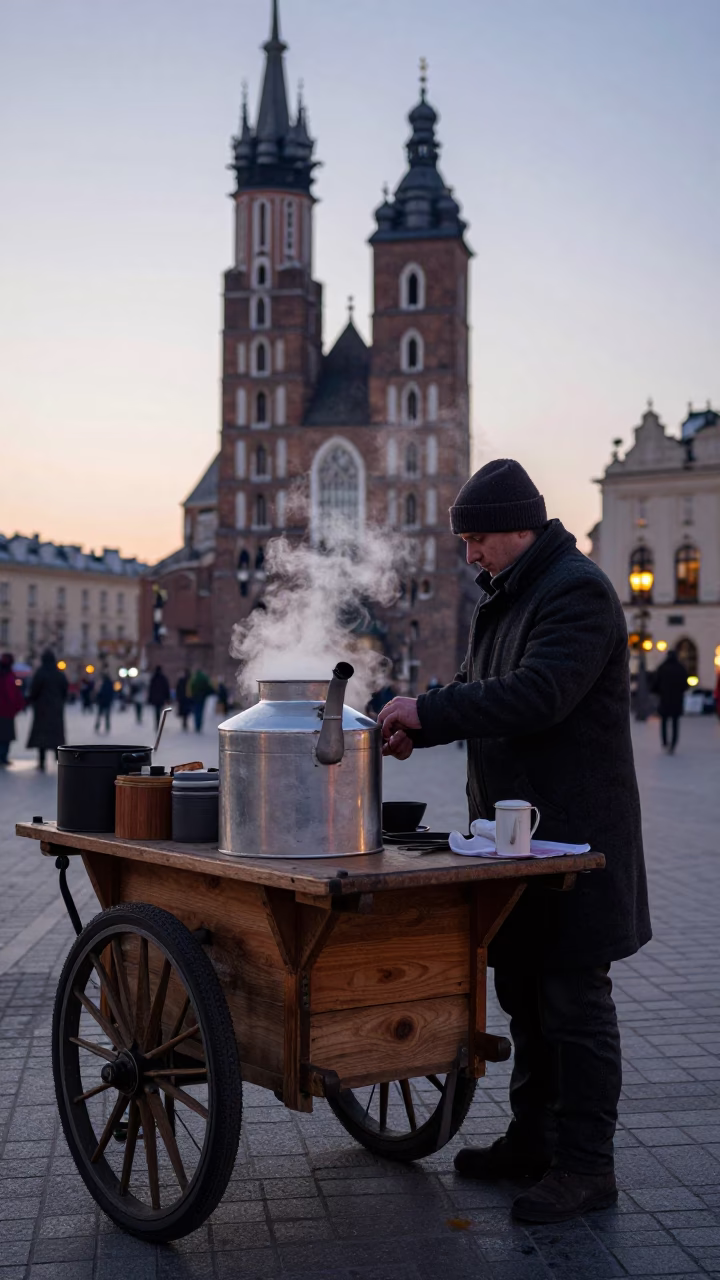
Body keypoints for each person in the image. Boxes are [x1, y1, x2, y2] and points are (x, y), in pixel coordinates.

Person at [378, 459, 651, 1225]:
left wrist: (429, 712)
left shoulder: (577, 591)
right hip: (512, 843)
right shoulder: (505, 596)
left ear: (518, 528)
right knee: (524, 996)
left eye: (477, 540)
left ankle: (588, 1166)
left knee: (573, 1001)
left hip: (574, 842)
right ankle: (532, 1142)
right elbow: (479, 690)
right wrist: (417, 727)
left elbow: (538, 696)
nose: (470, 555)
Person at [26, 649, 68, 770]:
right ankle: (59, 759)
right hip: (56, 709)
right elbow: (65, 690)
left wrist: (32, 700)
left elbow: (34, 691)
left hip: (42, 709)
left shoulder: (40, 673)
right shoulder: (59, 674)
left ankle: (42, 761)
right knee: (56, 736)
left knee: (42, 737)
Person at [651, 650, 688, 754]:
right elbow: (685, 685)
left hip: (665, 699)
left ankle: (665, 742)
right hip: (677, 700)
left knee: (664, 721)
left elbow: (655, 684)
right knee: (675, 722)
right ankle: (673, 743)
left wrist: (660, 691)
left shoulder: (662, 668)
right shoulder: (681, 668)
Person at [0, 654, 25, 766]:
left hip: (6, 711)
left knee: (4, 736)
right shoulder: (9, 676)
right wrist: (17, 706)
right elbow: (13, 694)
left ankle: (3, 757)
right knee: (5, 737)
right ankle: (3, 757)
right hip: (7, 711)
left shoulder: (9, 675)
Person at [188, 668, 213, 733]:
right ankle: (199, 726)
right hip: (202, 697)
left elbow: (191, 687)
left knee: (196, 711)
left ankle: (196, 725)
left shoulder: (194, 678)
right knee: (201, 712)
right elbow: (208, 686)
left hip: (196, 697)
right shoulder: (204, 678)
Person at [147, 666, 171, 730]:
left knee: (156, 711)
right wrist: (168, 698)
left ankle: (157, 723)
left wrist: (149, 698)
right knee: (160, 711)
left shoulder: (153, 678)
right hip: (161, 698)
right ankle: (159, 723)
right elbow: (166, 689)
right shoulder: (163, 678)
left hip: (155, 698)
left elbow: (150, 689)